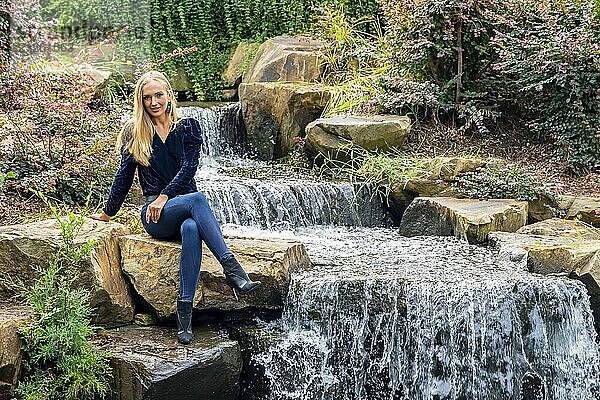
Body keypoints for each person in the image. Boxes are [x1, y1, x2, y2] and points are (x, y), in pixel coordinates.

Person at [90, 70, 261, 345]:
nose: (153, 102)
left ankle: (185, 316)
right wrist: (109, 212)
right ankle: (232, 270)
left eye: (158, 95)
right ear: (141, 102)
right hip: (155, 214)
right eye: (147, 98)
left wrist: (166, 195)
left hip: (182, 208)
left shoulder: (188, 127)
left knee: (192, 228)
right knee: (198, 198)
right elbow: (123, 177)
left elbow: (189, 168)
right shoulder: (135, 133)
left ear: (169, 95)